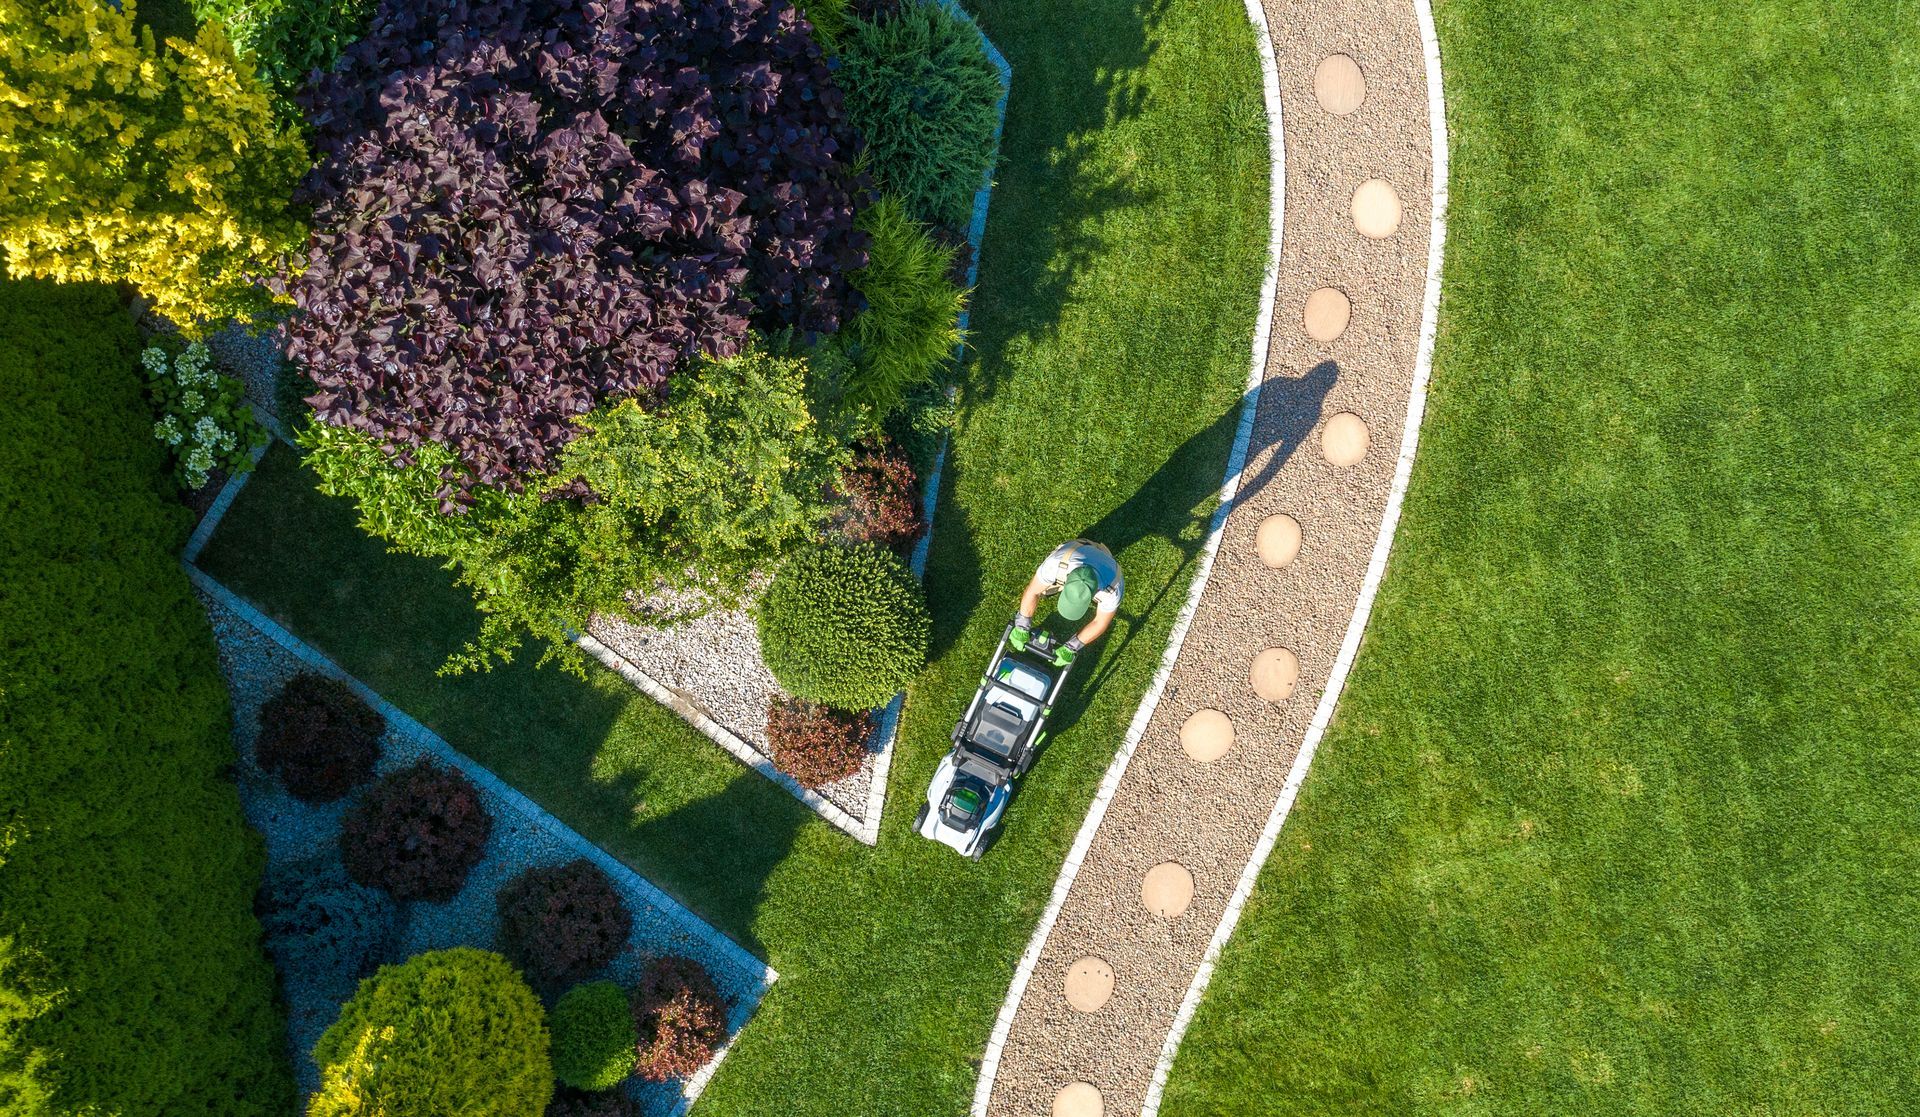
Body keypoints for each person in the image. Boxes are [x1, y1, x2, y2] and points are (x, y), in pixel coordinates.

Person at [1012, 539, 1124, 666]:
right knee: (1044, 590)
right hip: (1077, 550)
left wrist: (1072, 647)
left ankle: (1098, 553)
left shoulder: (1113, 589)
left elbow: (1100, 622)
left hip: (1106, 562)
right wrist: (1021, 625)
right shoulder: (1055, 564)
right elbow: (1033, 591)